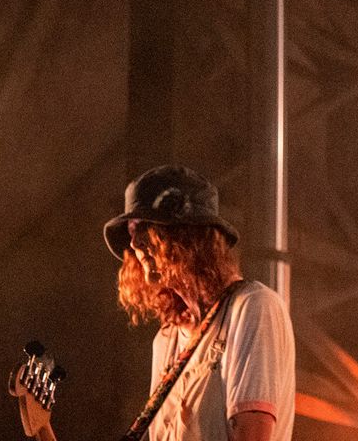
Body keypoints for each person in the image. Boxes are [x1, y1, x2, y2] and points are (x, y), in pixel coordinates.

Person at [103, 165, 296, 441]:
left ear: (189, 235)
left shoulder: (253, 308)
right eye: (131, 231)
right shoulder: (166, 340)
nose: (134, 243)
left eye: (144, 227)